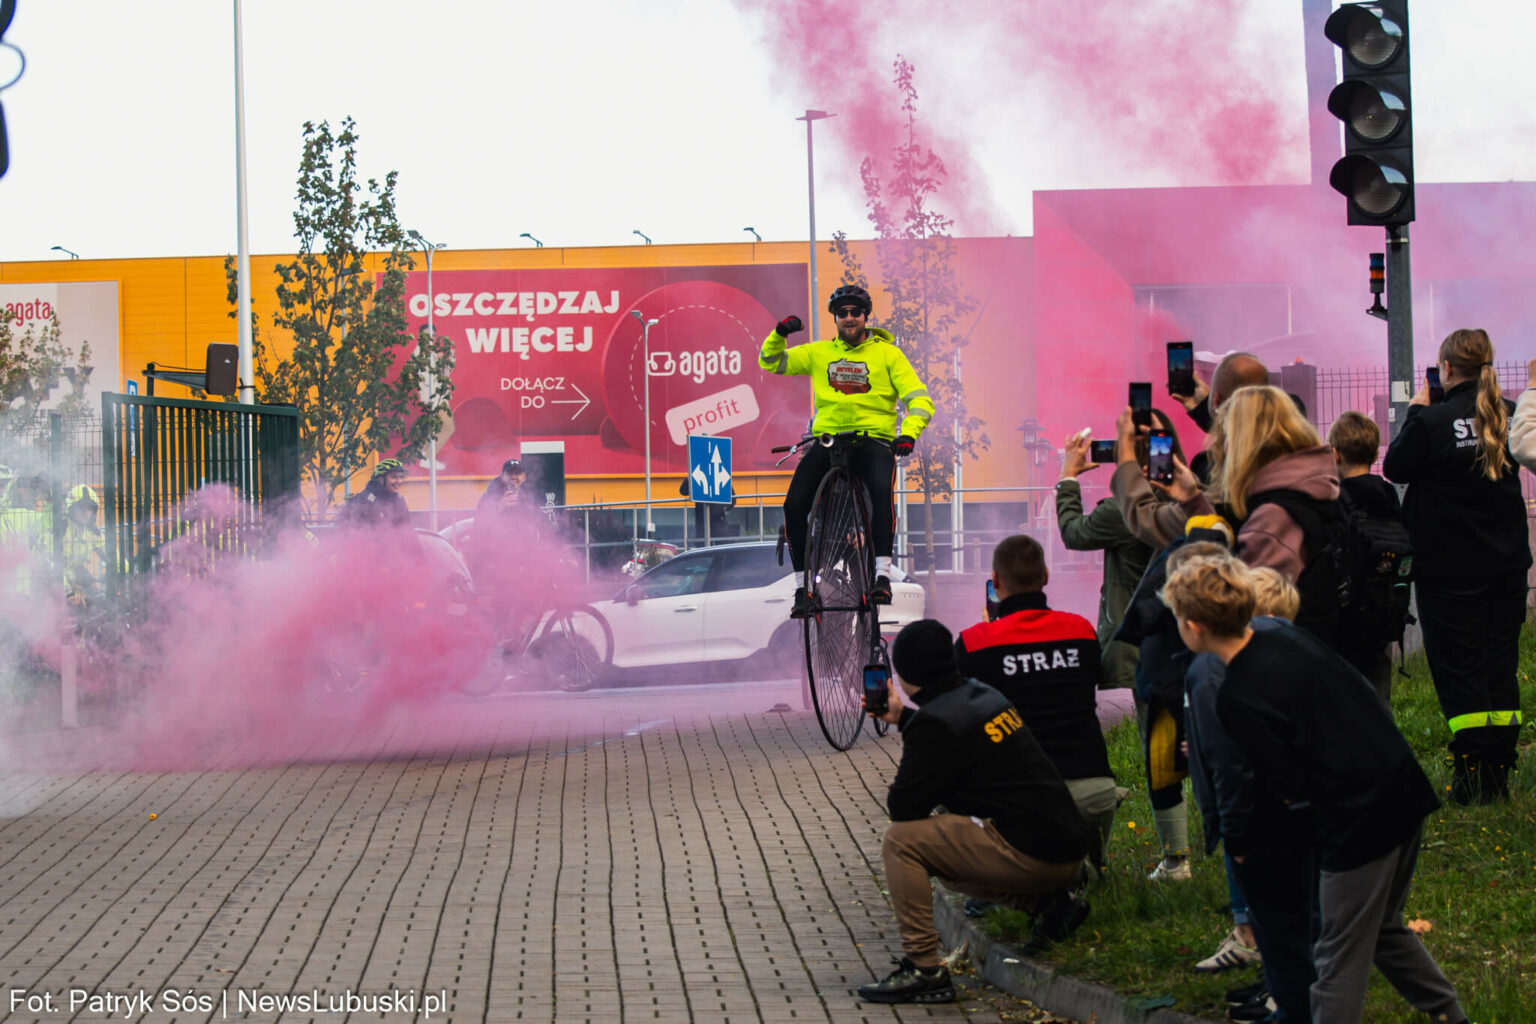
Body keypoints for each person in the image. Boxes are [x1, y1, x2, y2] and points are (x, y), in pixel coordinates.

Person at [1164, 554, 1471, 1024]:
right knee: (1383, 929)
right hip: (1404, 791)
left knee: (1333, 962)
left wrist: (1242, 842)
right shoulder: (1293, 642)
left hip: (1358, 820)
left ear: (1192, 626)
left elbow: (1270, 781)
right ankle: (1449, 1014)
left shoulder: (1239, 692)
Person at [856, 619, 1091, 1005]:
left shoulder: (936, 725)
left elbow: (904, 808)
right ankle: (1050, 907)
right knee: (942, 849)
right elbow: (956, 743)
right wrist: (905, 719)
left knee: (903, 844)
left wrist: (912, 728)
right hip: (1063, 852)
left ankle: (923, 969)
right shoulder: (981, 693)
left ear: (907, 675)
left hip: (1035, 857)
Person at [1383, 328, 1529, 804]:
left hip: (1450, 573)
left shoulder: (1433, 421)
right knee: (1499, 667)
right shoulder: (1507, 415)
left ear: (1446, 369)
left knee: (1460, 674)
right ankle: (1498, 777)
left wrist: (1418, 412)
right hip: (1507, 568)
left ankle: (1472, 780)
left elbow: (1395, 468)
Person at [760, 284, 934, 616]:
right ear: (836, 319)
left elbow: (920, 401)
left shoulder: (888, 354)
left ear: (866, 316)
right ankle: (802, 588)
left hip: (873, 440)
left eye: (856, 312)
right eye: (843, 313)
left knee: (881, 495)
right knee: (794, 505)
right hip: (829, 440)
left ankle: (882, 576)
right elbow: (771, 362)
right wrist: (779, 333)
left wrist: (908, 434)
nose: (849, 317)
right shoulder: (819, 352)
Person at [954, 535, 1119, 874]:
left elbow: (954, 715)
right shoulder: (1082, 630)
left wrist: (993, 633)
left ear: (996, 581)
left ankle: (1005, 884)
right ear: (1046, 575)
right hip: (1096, 796)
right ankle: (1084, 861)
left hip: (1026, 805)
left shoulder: (974, 643)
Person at [1183, 559, 1304, 1018]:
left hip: (1272, 809)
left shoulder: (1220, 670)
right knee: (1281, 908)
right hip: (1275, 805)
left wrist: (1232, 830)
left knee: (1285, 910)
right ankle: (1275, 980)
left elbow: (1237, 763)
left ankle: (1286, 994)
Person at [1057, 410, 1182, 688]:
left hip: (1142, 641)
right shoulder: (1191, 500)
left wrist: (1068, 476)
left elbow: (1073, 533)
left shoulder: (1121, 512)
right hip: (1187, 633)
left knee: (1152, 727)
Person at [1164, 385, 1339, 584]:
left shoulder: (1271, 521)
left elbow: (1244, 605)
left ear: (1244, 443)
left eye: (1228, 435)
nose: (1222, 446)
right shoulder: (1308, 487)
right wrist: (1194, 501)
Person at [1325, 411, 1403, 705]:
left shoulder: (1336, 498)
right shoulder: (1386, 493)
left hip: (1346, 614)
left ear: (1335, 453)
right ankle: (1383, 738)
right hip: (1385, 605)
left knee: (1346, 691)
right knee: (1379, 683)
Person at [60, 484, 105, 608]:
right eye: (82, 508)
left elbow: (111, 555)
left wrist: (127, 569)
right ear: (72, 509)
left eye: (90, 508)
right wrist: (68, 592)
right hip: (57, 579)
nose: (86, 513)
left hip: (77, 575)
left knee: (99, 602)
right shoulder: (61, 530)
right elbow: (54, 567)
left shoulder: (92, 532)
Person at [340, 458, 411, 529]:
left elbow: (407, 528)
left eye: (401, 477)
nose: (399, 481)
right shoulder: (366, 499)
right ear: (381, 479)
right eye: (393, 477)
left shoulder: (399, 499)